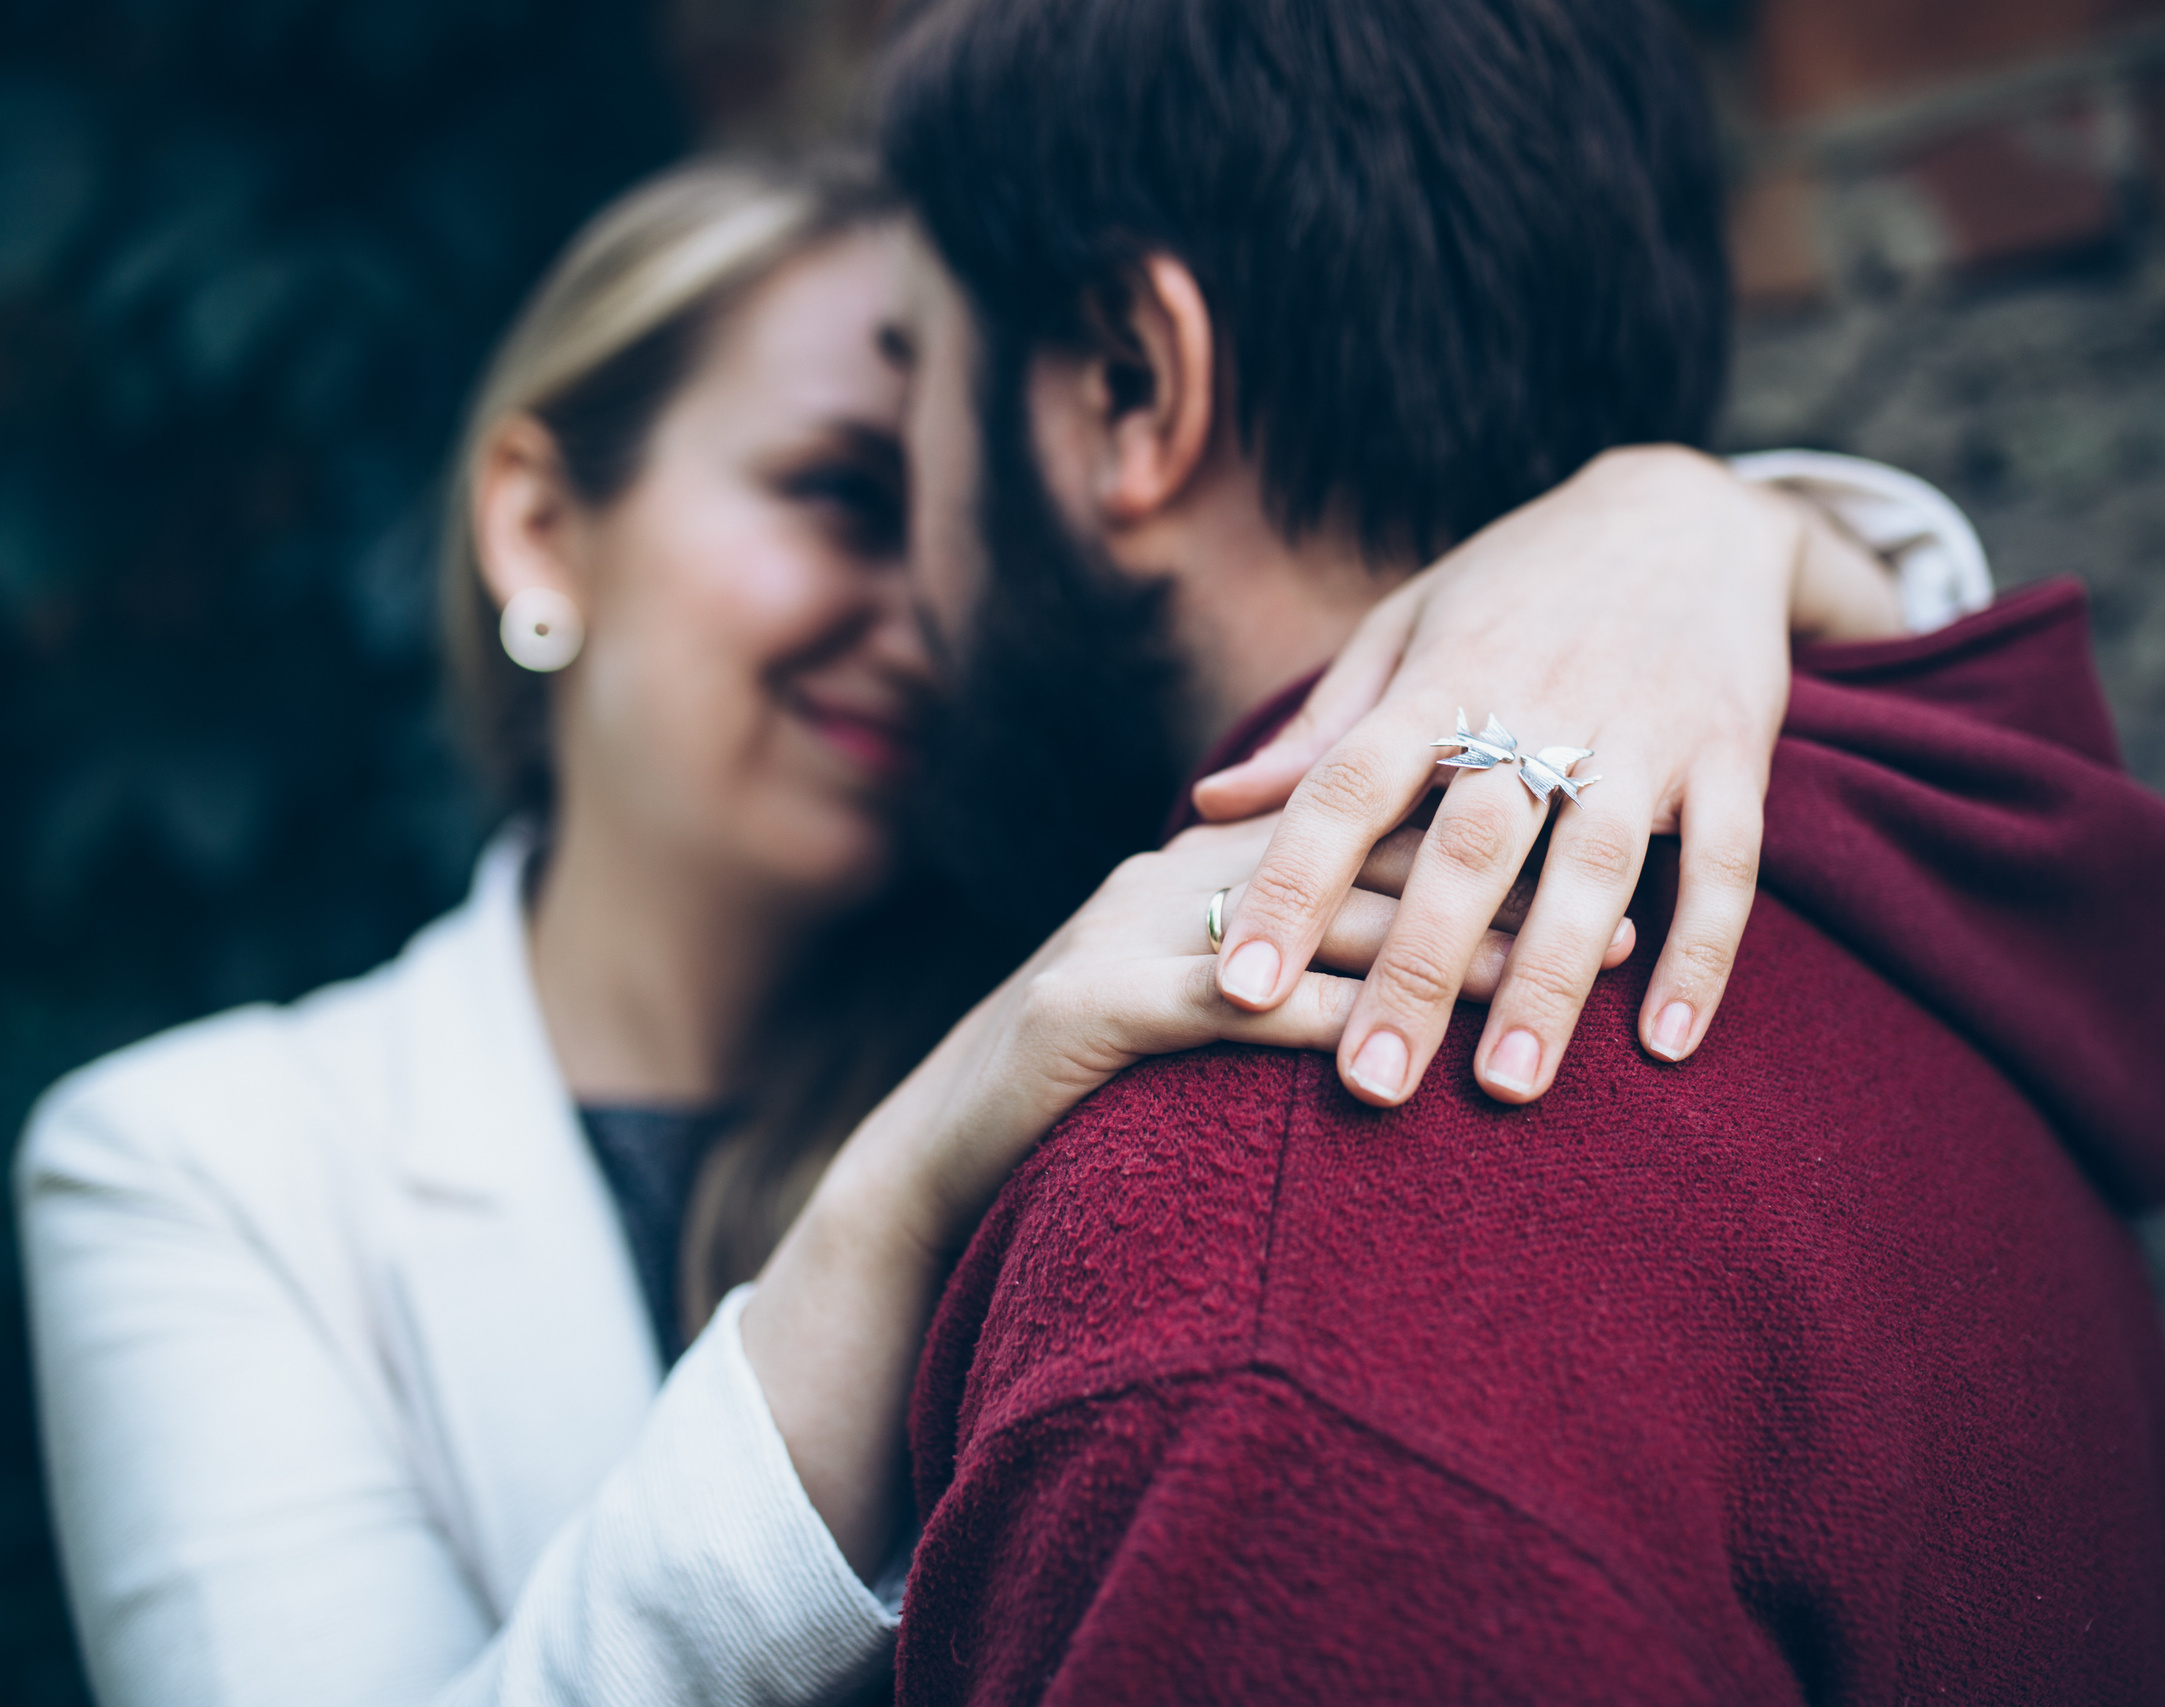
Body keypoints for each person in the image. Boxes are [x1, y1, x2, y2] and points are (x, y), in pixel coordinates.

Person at [14, 143, 1988, 1705]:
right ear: (542, 525)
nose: (924, 605)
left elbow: (1904, 647)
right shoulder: (195, 1163)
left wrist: (1696, 521)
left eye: (950, 505)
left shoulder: (1129, 938)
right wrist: (885, 1203)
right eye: (834, 491)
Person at [873, 0, 2165, 1699]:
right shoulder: (1925, 895)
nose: (896, 594)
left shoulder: (1245, 1321)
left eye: (902, 415)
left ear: (1131, 387)